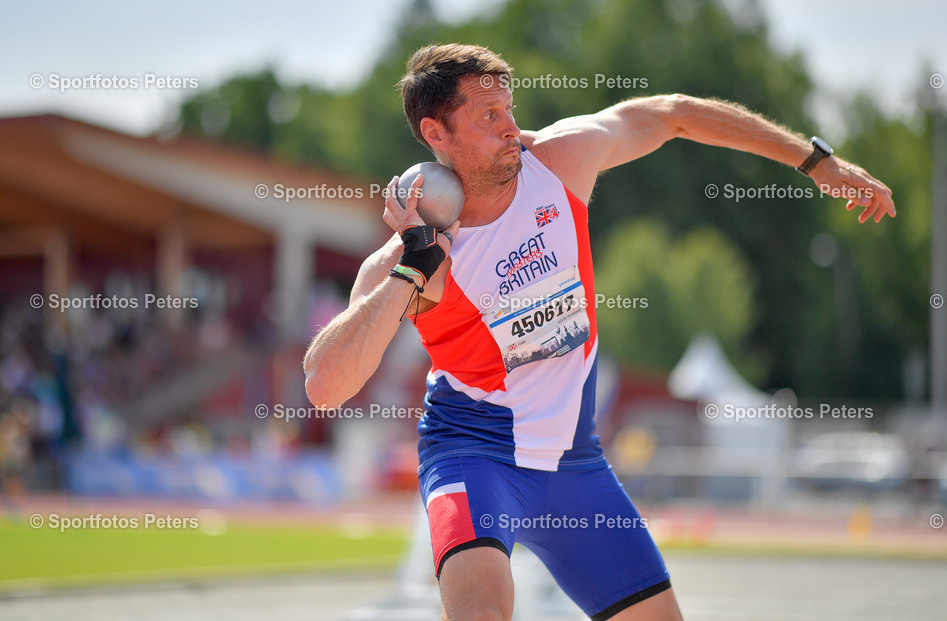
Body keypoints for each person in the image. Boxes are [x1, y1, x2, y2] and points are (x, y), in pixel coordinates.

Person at [304, 43, 896, 621]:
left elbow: (674, 114)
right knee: (480, 612)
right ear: (436, 133)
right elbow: (324, 387)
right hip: (473, 455)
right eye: (487, 116)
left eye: (508, 108)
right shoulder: (410, 261)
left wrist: (816, 162)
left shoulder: (561, 162)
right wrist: (411, 269)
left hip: (574, 464)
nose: (511, 127)